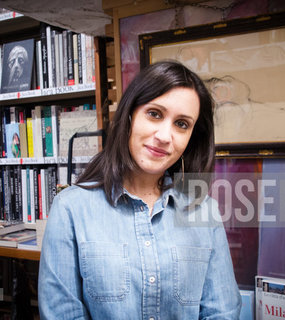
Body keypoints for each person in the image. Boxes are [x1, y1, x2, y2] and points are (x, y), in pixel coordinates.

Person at [38, 61, 241, 319]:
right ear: (130, 115)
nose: (165, 136)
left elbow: (221, 312)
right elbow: (61, 315)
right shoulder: (71, 208)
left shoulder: (204, 210)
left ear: (192, 137)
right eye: (155, 114)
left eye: (181, 124)